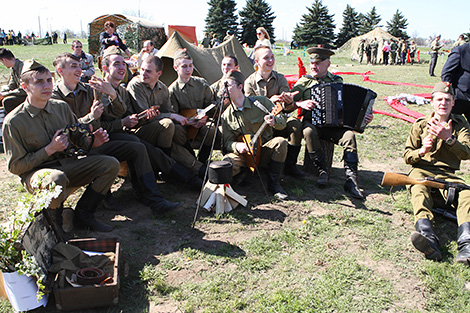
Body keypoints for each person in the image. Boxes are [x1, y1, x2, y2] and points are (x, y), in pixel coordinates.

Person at [52, 52, 181, 217]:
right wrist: (94, 118)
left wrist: (112, 96)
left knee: (137, 146)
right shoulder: (56, 97)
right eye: (73, 66)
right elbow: (67, 129)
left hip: (98, 140)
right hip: (76, 150)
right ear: (60, 70)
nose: (79, 70)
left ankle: (154, 198)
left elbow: (115, 115)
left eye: (79, 65)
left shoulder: (89, 90)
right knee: (135, 145)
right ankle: (182, 179)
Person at [2, 59, 120, 232]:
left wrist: (92, 141)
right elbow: (15, 166)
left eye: (49, 80)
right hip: (36, 173)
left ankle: (84, 214)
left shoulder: (60, 107)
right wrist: (49, 149)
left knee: (110, 164)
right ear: (25, 87)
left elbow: (78, 136)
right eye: (39, 82)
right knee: (56, 179)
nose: (47, 86)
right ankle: (54, 227)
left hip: (66, 165)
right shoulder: (14, 122)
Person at [98, 46, 203, 189]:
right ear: (105, 68)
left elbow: (165, 110)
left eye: (148, 71)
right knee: (167, 125)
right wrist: (171, 115)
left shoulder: (161, 88)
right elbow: (139, 115)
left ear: (159, 73)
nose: (143, 74)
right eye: (142, 70)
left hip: (132, 133)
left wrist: (189, 121)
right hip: (136, 131)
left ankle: (197, 168)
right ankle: (186, 171)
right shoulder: (134, 85)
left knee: (176, 129)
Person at [291, 47, 373, 199]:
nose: (314, 66)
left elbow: (347, 105)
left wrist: (364, 118)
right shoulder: (304, 82)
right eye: (312, 63)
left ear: (328, 64)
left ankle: (351, 179)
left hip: (334, 125)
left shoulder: (337, 81)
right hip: (313, 123)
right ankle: (322, 170)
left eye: (318, 63)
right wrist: (302, 103)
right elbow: (291, 103)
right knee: (308, 131)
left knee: (349, 136)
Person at [404, 81, 470, 264]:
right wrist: (421, 151)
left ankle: (466, 245)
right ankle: (428, 238)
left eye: (447, 100)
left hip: (449, 174)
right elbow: (407, 156)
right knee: (418, 189)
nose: (443, 103)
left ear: (453, 102)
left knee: (467, 195)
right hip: (422, 170)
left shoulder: (460, 124)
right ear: (432, 102)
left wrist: (449, 139)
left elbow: (466, 153)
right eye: (439, 99)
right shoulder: (421, 125)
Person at [221, 70, 289, 200]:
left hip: (263, 150)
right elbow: (227, 143)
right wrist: (237, 146)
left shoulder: (261, 103)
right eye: (223, 86)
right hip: (242, 155)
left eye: (228, 85)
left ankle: (274, 184)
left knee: (280, 142)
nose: (224, 89)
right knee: (227, 163)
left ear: (240, 87)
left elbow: (282, 123)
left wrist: (274, 121)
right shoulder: (226, 116)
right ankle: (238, 179)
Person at [244, 45, 304, 178]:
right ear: (257, 61)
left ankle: (290, 165)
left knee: (296, 124)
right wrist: (270, 100)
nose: (271, 60)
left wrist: (288, 101)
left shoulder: (280, 78)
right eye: (266, 58)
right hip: (259, 124)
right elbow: (250, 109)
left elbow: (287, 108)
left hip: (279, 121)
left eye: (272, 57)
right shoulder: (250, 82)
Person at [168, 48, 218, 166]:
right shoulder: (172, 91)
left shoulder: (202, 84)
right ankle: (192, 159)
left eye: (190, 65)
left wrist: (204, 118)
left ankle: (202, 159)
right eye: (184, 66)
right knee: (177, 131)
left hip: (202, 123)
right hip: (184, 125)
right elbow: (173, 114)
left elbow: (211, 106)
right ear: (176, 68)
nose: (188, 69)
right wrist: (189, 122)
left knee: (210, 129)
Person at [441, 41, 470, 121]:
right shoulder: (460, 51)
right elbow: (446, 74)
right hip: (459, 98)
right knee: (450, 126)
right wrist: (450, 94)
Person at [0, 48, 27, 114]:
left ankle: (13, 121)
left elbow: (23, 90)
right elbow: (12, 85)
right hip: (20, 93)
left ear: (4, 60)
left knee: (7, 101)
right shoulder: (13, 68)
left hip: (27, 95)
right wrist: (2, 92)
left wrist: (4, 94)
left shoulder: (23, 67)